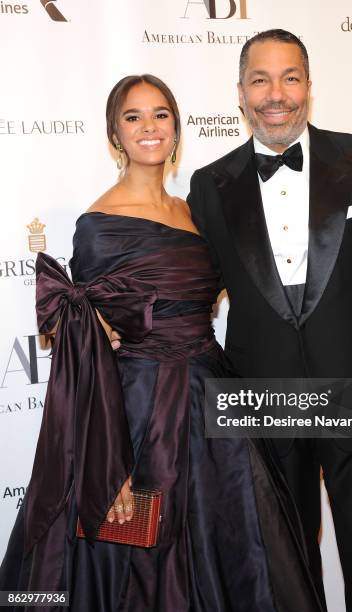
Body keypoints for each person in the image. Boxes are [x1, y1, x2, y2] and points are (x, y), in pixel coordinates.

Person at [0, 74, 323, 612]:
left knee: (239, 546)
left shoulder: (192, 212)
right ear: (114, 135)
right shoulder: (100, 225)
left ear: (176, 129)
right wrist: (107, 463)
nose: (148, 127)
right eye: (133, 117)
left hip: (212, 399)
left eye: (160, 115)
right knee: (140, 559)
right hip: (139, 408)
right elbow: (86, 353)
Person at [187, 30, 352, 612]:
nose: (277, 94)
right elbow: (194, 288)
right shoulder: (209, 184)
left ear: (309, 86)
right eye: (260, 79)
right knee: (285, 563)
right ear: (240, 93)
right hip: (264, 396)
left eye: (290, 77)